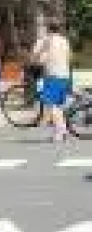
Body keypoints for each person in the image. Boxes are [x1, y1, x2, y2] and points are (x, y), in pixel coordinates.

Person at [32, 15, 74, 144]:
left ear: (48, 28)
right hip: (65, 75)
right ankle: (62, 131)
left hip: (53, 76)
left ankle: (60, 134)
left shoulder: (47, 40)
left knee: (52, 105)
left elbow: (35, 56)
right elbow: (70, 57)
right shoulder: (64, 40)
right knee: (59, 105)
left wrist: (37, 58)